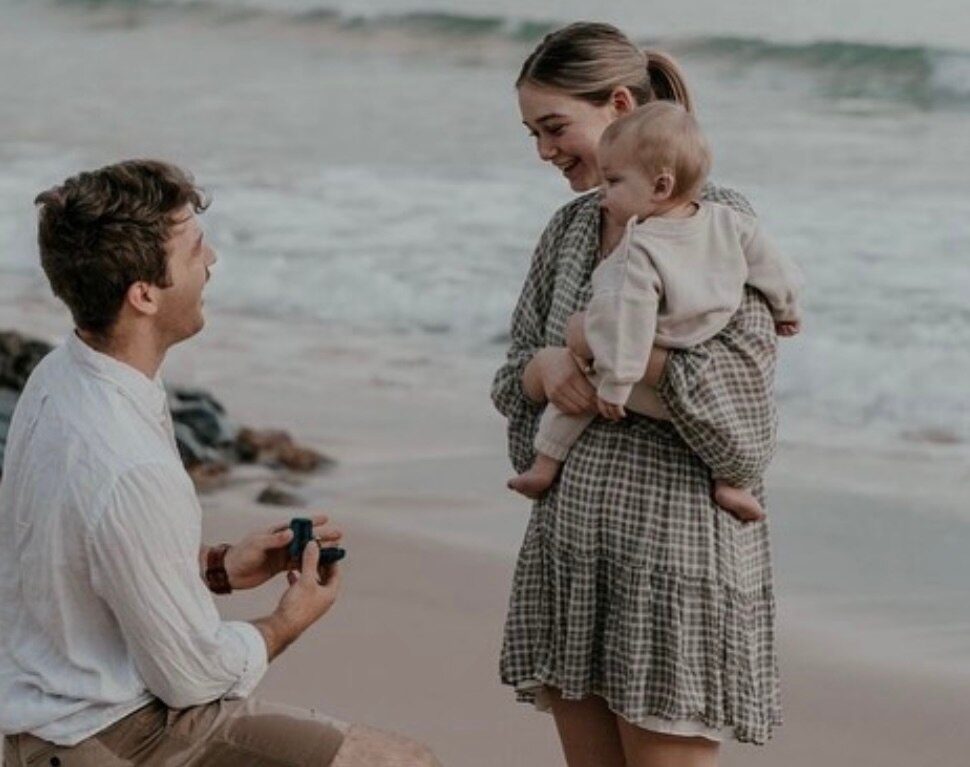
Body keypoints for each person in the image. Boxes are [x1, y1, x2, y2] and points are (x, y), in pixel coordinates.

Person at [0, 160, 440, 767]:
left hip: (51, 712)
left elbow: (71, 563)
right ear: (144, 294)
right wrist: (288, 620)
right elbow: (192, 676)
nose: (212, 262)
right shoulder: (125, 460)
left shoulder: (60, 376)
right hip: (103, 735)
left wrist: (216, 568)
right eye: (195, 250)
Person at [493, 22, 783, 767]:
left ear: (619, 104)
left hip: (674, 568)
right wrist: (547, 367)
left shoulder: (723, 229)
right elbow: (511, 378)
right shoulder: (568, 230)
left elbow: (743, 439)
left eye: (554, 128)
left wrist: (623, 349)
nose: (544, 152)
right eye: (532, 132)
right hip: (572, 556)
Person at [507, 101, 802, 526]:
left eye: (612, 182)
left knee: (580, 388)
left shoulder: (638, 247)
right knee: (709, 421)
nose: (604, 193)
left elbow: (631, 321)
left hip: (651, 354)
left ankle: (544, 465)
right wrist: (787, 307)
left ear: (660, 187)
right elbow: (774, 266)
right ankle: (730, 482)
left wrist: (615, 381)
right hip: (697, 341)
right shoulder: (727, 221)